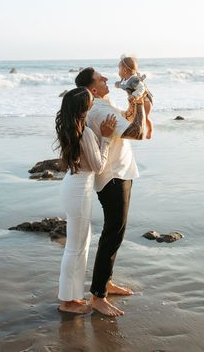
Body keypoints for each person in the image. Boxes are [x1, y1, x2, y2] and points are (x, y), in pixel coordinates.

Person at [74, 67, 150, 317]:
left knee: (115, 232)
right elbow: (136, 133)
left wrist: (134, 100)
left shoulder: (104, 103)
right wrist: (138, 99)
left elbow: (128, 121)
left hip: (120, 173)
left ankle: (105, 283)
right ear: (92, 89)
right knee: (113, 234)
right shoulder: (100, 110)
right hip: (113, 178)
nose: (107, 78)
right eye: (100, 78)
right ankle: (98, 296)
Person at [55, 87, 117, 314]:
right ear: (84, 108)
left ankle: (72, 297)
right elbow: (98, 165)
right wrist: (107, 139)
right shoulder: (85, 134)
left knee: (78, 245)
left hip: (73, 187)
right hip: (80, 192)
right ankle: (67, 302)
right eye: (91, 100)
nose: (94, 102)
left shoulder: (73, 130)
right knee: (75, 248)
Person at [115, 54, 154, 140]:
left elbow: (142, 88)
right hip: (138, 101)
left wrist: (135, 95)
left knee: (146, 117)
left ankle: (150, 130)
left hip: (146, 100)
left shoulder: (134, 80)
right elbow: (123, 85)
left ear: (124, 71)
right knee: (135, 115)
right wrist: (118, 85)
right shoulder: (125, 79)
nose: (118, 71)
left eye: (119, 69)